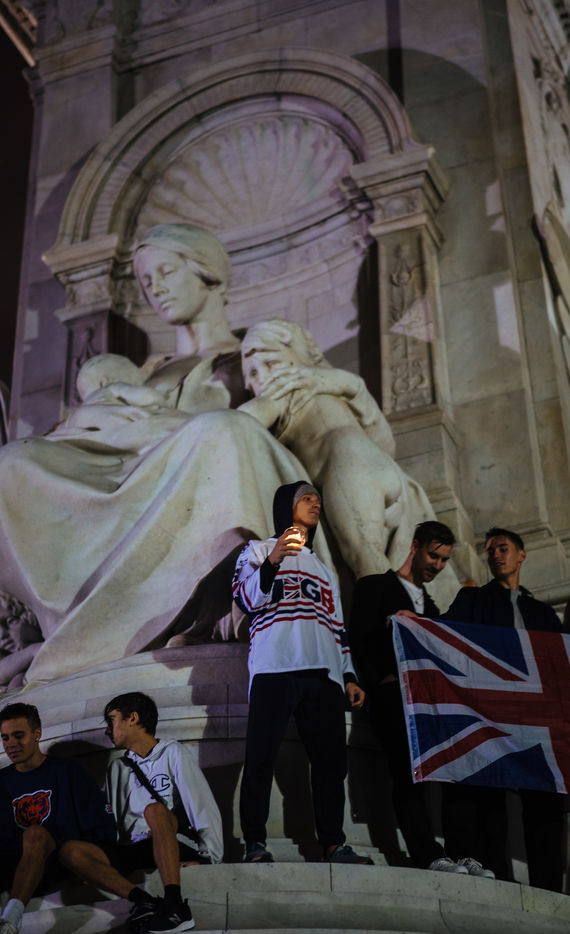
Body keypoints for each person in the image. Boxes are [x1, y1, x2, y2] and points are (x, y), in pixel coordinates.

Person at [0, 224, 323, 686]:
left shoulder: (256, 354)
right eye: (147, 281)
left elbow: (314, 427)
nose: (156, 289)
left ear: (208, 274)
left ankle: (224, 607)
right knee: (13, 463)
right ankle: (78, 629)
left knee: (224, 429)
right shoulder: (138, 373)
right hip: (128, 472)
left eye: (167, 272)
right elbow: (82, 432)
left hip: (210, 470)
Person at [232, 480, 373, 865]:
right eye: (306, 498)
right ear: (286, 506)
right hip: (275, 667)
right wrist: (274, 558)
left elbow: (338, 627)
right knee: (260, 757)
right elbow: (245, 599)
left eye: (317, 499)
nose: (316, 504)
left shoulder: (324, 570)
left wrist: (349, 675)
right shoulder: (257, 550)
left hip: (323, 673)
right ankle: (255, 842)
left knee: (331, 764)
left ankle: (333, 843)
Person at [238, 319, 440, 580]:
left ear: (296, 358)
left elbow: (236, 424)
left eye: (271, 363)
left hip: (349, 464)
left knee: (366, 562)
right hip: (369, 467)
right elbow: (384, 445)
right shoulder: (331, 389)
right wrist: (352, 385)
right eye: (253, 374)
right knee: (369, 562)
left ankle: (389, 607)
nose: (265, 377)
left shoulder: (286, 392)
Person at [349, 521, 492, 876]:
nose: (438, 566)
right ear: (415, 546)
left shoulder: (430, 606)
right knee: (407, 774)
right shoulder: (374, 586)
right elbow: (358, 639)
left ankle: (463, 853)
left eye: (444, 560)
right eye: (433, 556)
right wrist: (390, 624)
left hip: (430, 702)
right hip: (392, 696)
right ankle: (427, 853)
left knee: (454, 771)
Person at [443, 527, 564, 891]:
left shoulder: (542, 613)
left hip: (538, 717)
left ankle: (548, 886)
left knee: (545, 802)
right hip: (491, 712)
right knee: (489, 794)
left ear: (521, 555)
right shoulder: (475, 600)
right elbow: (445, 634)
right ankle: (495, 874)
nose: (496, 554)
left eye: (503, 548)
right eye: (491, 550)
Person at [0, 702, 160, 934]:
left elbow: (99, 820)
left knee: (40, 836)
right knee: (33, 835)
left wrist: (79, 858)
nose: (11, 744)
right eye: (5, 738)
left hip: (65, 858)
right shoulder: (2, 781)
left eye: (18, 735)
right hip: (23, 863)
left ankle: (145, 900)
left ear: (37, 734)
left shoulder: (65, 769)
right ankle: (10, 918)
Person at [104, 691, 223, 934]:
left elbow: (201, 806)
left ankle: (174, 904)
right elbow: (110, 821)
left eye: (111, 720)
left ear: (133, 718)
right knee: (73, 851)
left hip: (170, 839)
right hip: (134, 848)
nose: (107, 730)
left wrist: (210, 856)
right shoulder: (117, 767)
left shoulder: (173, 752)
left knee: (154, 810)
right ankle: (143, 902)